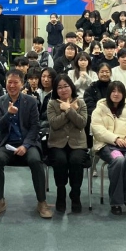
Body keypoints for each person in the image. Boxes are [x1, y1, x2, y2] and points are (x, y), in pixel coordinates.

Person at [0, 69, 52, 219]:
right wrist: (9, 114)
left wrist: (25, 145)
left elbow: (35, 126)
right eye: (9, 82)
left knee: (36, 161)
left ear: (22, 84)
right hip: (7, 143)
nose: (12, 85)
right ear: (5, 83)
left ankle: (42, 202)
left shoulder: (31, 101)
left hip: (27, 143)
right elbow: (0, 126)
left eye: (15, 82)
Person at [92, 81, 126, 215]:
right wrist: (115, 139)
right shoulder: (99, 109)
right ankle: (116, 202)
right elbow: (97, 129)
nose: (116, 94)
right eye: (113, 91)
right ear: (109, 93)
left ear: (124, 94)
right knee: (119, 160)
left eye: (119, 91)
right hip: (107, 145)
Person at [47, 74, 88, 213]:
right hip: (57, 143)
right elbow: (54, 124)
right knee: (60, 160)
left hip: (78, 144)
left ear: (71, 87)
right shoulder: (52, 103)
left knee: (76, 161)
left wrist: (69, 109)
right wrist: (69, 110)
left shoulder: (80, 102)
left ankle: (75, 194)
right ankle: (61, 192)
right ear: (55, 90)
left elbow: (82, 123)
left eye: (66, 86)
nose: (63, 90)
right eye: (59, 87)